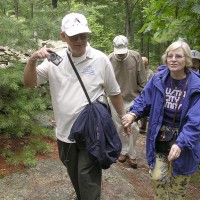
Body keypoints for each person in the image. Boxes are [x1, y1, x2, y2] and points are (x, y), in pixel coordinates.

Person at [24, 13, 130, 200]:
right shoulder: (54, 60)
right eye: (74, 36)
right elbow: (29, 82)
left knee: (86, 177)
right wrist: (32, 60)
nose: (79, 40)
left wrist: (123, 117)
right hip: (65, 133)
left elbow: (113, 92)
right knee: (75, 174)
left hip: (92, 131)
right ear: (63, 36)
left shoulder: (100, 59)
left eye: (83, 35)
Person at [122, 39, 200, 199]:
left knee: (178, 186)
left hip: (185, 141)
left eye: (178, 56)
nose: (173, 59)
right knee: (158, 178)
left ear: (186, 60)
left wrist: (181, 143)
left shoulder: (196, 86)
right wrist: (133, 114)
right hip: (161, 136)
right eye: (170, 56)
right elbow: (144, 99)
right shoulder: (158, 79)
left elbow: (196, 121)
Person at [108, 35, 147, 168]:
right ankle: (123, 151)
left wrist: (144, 96)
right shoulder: (109, 59)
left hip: (133, 98)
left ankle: (132, 154)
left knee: (134, 127)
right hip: (115, 98)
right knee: (119, 126)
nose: (120, 54)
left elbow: (142, 78)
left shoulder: (136, 57)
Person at [139, 56, 154, 134]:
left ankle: (143, 127)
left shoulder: (150, 72)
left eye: (143, 62)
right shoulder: (138, 70)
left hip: (146, 93)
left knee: (145, 109)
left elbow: (152, 83)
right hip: (138, 92)